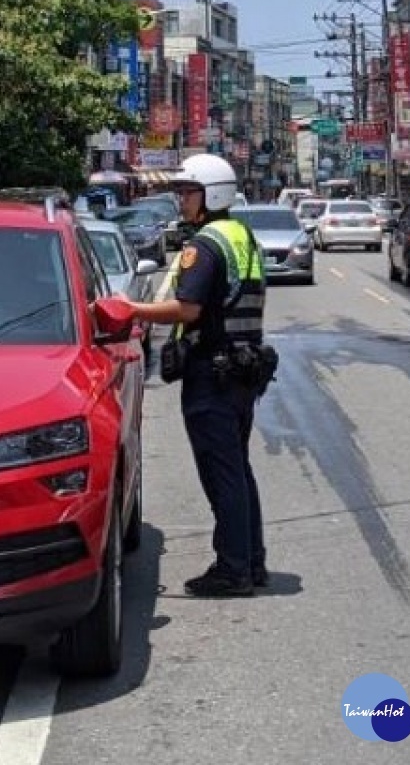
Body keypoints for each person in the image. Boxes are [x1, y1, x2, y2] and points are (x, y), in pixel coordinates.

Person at [121, 153, 269, 597]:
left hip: (213, 371)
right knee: (237, 470)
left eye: (187, 192)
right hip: (244, 367)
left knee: (221, 474)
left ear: (212, 194)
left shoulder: (203, 245)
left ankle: (233, 569)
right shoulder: (240, 234)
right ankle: (251, 561)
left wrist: (132, 310)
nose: (180, 200)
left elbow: (187, 309)